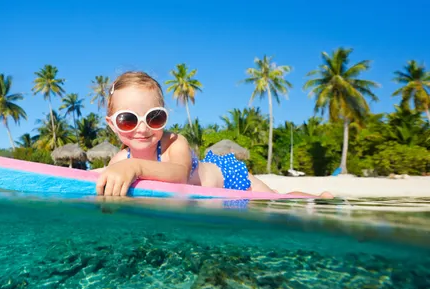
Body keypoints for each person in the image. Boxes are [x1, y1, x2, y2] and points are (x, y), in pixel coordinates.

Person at [93, 71, 332, 199]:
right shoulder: (119, 161)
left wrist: (135, 167)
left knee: (275, 200)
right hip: (211, 199)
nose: (142, 128)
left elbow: (179, 175)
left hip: (229, 179)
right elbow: (101, 178)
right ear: (112, 125)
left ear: (165, 117)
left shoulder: (173, 143)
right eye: (128, 120)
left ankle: (318, 200)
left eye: (154, 117)